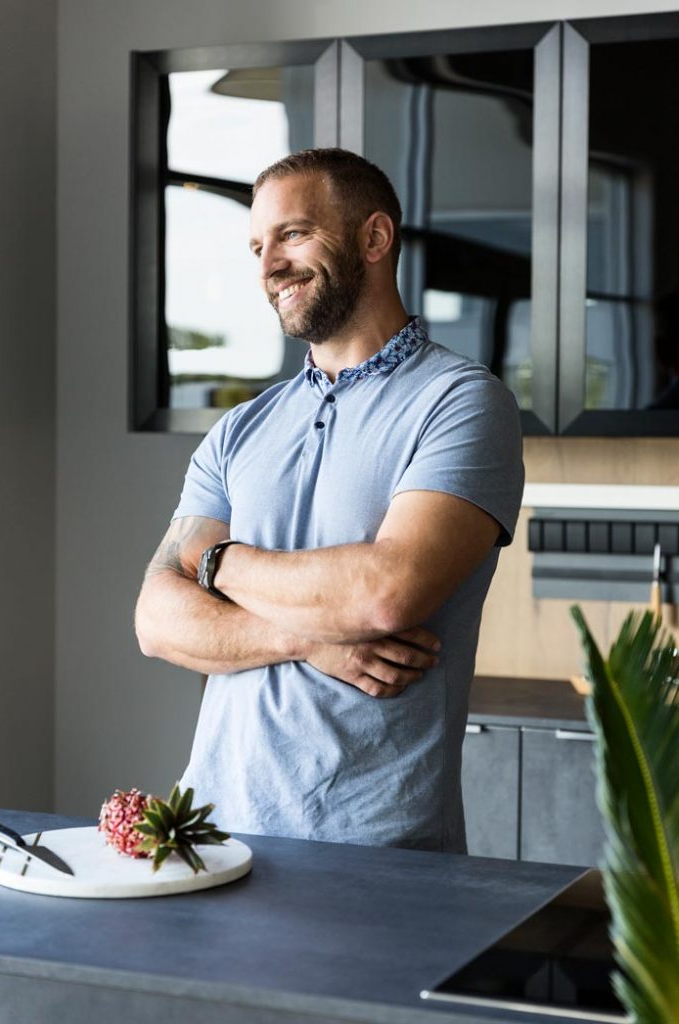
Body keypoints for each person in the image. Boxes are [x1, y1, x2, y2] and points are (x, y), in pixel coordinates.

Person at [135, 148, 524, 853]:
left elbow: (385, 593)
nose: (268, 268)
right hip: (214, 837)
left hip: (379, 851)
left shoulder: (463, 403)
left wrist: (219, 563)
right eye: (258, 246)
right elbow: (157, 620)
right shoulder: (240, 429)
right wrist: (307, 638)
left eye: (293, 234)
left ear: (374, 239)